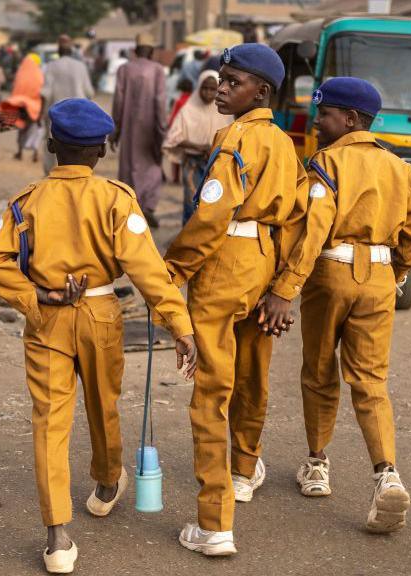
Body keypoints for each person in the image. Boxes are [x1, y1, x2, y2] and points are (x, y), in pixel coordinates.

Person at [0, 98, 197, 574]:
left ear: (52, 145)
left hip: (47, 318)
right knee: (104, 403)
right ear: (103, 149)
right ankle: (104, 485)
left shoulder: (27, 200)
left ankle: (57, 537)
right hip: (100, 312)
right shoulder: (116, 199)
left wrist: (36, 295)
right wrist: (180, 325)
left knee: (50, 420)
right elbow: (149, 272)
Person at [257, 77, 411, 533]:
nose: (316, 122)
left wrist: (284, 289)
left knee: (318, 371)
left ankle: (316, 465)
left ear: (349, 120)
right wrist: (399, 272)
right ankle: (386, 473)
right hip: (380, 277)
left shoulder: (327, 163)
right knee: (371, 380)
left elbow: (313, 231)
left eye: (324, 113)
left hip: (331, 274)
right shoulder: (399, 168)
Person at [164, 44, 306, 556]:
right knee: (253, 376)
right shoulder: (286, 144)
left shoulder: (235, 141)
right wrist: (282, 290)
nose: (220, 89)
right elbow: (295, 221)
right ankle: (245, 470)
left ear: (261, 92)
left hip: (224, 268)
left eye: (232, 82)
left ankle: (213, 523)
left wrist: (172, 270)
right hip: (263, 268)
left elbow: (208, 221)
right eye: (221, 80)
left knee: (210, 394)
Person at [111, 33, 167, 228]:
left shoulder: (124, 69)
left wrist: (115, 129)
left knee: (129, 165)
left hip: (129, 126)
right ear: (151, 51)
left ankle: (130, 206)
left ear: (135, 50)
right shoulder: (158, 70)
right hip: (151, 128)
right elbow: (160, 102)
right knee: (152, 166)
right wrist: (162, 129)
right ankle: (148, 207)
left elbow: (118, 100)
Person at [163, 70, 231, 223]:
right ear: (198, 87)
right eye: (204, 88)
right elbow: (173, 138)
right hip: (193, 163)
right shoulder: (188, 110)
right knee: (191, 202)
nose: (208, 93)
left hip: (217, 164)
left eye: (212, 89)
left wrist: (213, 149)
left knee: (212, 204)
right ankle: (187, 241)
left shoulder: (224, 111)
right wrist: (200, 147)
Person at [40, 34, 95, 174]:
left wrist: (40, 114)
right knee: (77, 145)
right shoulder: (80, 67)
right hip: (78, 114)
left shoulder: (51, 66)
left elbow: (45, 93)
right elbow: (89, 92)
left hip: (55, 114)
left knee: (53, 147)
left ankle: (52, 178)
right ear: (71, 51)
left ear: (58, 51)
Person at [0, 53, 45, 162]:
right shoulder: (39, 74)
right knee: (35, 130)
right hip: (35, 107)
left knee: (21, 129)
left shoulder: (20, 73)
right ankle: (35, 154)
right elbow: (42, 93)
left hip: (21, 106)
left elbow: (15, 90)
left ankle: (20, 152)